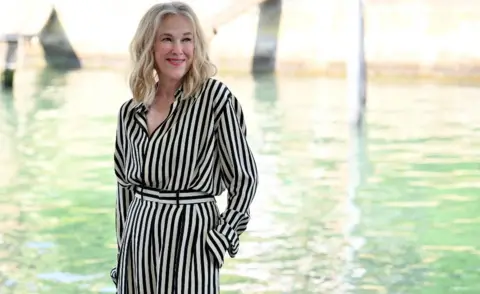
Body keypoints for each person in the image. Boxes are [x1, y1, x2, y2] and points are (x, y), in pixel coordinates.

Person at [109, 2, 259, 294]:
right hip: (137, 245)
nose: (178, 49)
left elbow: (244, 178)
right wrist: (122, 253)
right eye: (167, 39)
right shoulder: (130, 112)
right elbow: (124, 191)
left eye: (186, 39)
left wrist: (222, 238)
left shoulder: (216, 99)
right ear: (149, 45)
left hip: (193, 241)